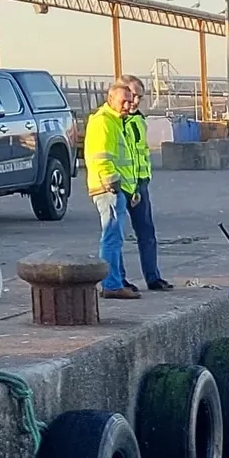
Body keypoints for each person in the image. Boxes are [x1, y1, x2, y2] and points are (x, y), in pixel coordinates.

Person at [85, 83, 139, 299]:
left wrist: (131, 189)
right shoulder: (104, 122)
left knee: (115, 237)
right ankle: (111, 284)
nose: (128, 105)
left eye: (130, 100)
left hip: (117, 188)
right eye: (123, 101)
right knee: (111, 237)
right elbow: (101, 157)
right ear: (110, 99)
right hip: (108, 188)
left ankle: (114, 281)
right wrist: (113, 184)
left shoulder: (117, 121)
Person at [119, 74, 173, 291]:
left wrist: (144, 178)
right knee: (116, 235)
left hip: (139, 184)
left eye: (140, 97)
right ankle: (118, 280)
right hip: (119, 184)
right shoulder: (113, 121)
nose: (135, 101)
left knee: (147, 232)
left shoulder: (139, 120)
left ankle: (153, 276)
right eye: (133, 95)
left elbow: (141, 152)